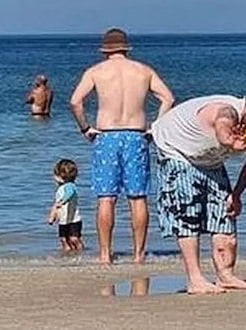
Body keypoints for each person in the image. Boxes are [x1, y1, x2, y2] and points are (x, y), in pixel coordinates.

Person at [151, 93, 246, 294]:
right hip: (176, 150)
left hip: (209, 159)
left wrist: (237, 194)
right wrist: (231, 142)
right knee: (188, 214)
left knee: (225, 213)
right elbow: (223, 127)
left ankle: (226, 275)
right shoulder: (227, 110)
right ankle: (195, 280)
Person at [69, 28, 174, 265]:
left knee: (106, 198)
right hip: (136, 135)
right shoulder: (143, 71)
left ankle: (105, 254)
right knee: (138, 198)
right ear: (126, 48)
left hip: (107, 136)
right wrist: (154, 127)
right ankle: (139, 255)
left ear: (105, 50)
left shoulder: (96, 72)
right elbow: (168, 97)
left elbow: (75, 102)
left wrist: (85, 128)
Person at [48, 159, 84, 252]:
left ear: (61, 176)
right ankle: (68, 254)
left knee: (74, 238)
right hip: (63, 220)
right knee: (64, 239)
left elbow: (70, 193)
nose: (53, 177)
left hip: (74, 219)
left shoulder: (69, 186)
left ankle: (81, 251)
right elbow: (55, 205)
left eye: (55, 175)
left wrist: (64, 201)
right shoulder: (60, 188)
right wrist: (53, 217)